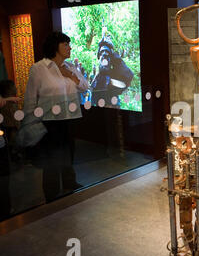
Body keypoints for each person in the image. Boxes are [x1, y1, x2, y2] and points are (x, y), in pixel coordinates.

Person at [21, 31, 89, 202]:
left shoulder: (70, 67)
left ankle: (69, 183)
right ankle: (51, 194)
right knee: (51, 160)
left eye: (69, 44)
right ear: (55, 47)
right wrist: (28, 121)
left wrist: (71, 76)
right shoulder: (39, 68)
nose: (69, 47)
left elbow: (85, 87)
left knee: (68, 153)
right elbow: (30, 97)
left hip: (70, 118)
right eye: (65, 44)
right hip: (49, 121)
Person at [91, 36, 134, 108]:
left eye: (106, 52)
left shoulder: (115, 73)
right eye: (102, 53)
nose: (104, 54)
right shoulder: (97, 78)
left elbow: (128, 76)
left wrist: (115, 57)